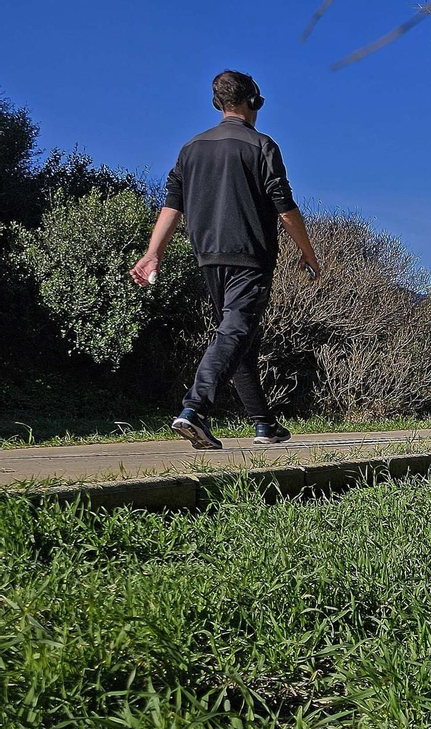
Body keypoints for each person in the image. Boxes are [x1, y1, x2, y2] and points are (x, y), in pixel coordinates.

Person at [130, 70, 320, 449]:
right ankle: (195, 409)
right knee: (235, 331)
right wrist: (308, 251)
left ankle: (264, 424)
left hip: (207, 257)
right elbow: (284, 208)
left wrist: (153, 253)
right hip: (250, 255)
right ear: (253, 102)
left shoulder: (191, 148)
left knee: (239, 336)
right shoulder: (261, 145)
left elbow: (172, 206)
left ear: (219, 104)